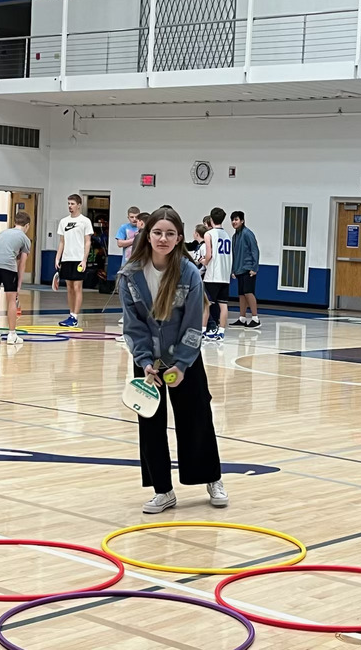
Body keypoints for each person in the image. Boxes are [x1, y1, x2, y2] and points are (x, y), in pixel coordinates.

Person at [119, 207, 227, 513]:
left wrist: (180, 364)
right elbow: (133, 325)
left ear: (179, 238)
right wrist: (144, 360)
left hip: (186, 360)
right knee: (150, 425)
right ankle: (162, 490)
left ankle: (212, 478)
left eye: (169, 233)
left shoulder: (189, 273)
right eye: (157, 232)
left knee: (197, 420)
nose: (162, 238)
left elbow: (194, 324)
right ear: (147, 235)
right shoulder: (130, 276)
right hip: (148, 361)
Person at [0, 212, 32, 346]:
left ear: (14, 223)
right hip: (7, 268)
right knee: (11, 300)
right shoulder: (25, 238)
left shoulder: (3, 233)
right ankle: (12, 335)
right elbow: (22, 264)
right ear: (27, 225)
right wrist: (18, 285)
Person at [54, 194, 93, 327]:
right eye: (68, 203)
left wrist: (84, 259)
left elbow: (88, 242)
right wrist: (58, 257)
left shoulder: (85, 221)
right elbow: (61, 242)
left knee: (77, 287)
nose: (70, 206)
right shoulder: (63, 221)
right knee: (69, 287)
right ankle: (71, 315)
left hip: (78, 259)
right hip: (67, 258)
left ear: (79, 205)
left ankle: (75, 317)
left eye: (72, 203)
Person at [203, 207, 232, 342]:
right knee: (223, 305)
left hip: (213, 275)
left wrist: (204, 261)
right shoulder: (227, 235)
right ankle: (221, 332)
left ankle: (203, 331)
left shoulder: (209, 234)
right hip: (225, 276)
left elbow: (209, 254)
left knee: (206, 304)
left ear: (210, 219)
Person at [230, 211, 260, 328]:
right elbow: (235, 254)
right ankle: (242, 318)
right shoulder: (235, 236)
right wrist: (233, 270)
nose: (234, 222)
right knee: (241, 294)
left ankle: (255, 318)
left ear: (242, 221)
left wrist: (254, 267)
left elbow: (255, 250)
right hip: (239, 269)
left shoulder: (248, 234)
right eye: (232, 220)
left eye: (236, 219)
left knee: (249, 292)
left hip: (248, 269)